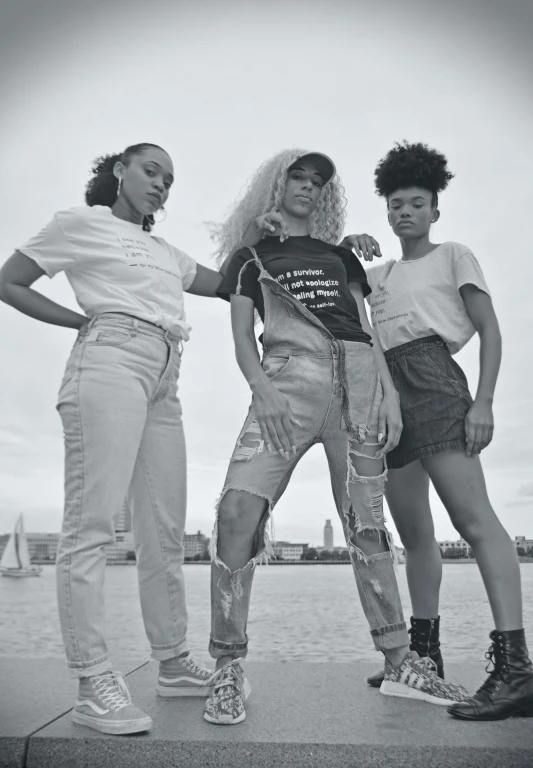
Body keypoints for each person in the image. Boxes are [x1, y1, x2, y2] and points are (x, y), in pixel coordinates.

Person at [202, 149, 469, 726]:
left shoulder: (342, 253)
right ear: (275, 184)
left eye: (318, 182)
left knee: (367, 523)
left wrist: (390, 394)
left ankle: (400, 661)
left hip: (360, 383)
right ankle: (227, 667)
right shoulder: (250, 255)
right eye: (297, 177)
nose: (308, 187)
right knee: (236, 512)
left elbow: (363, 323)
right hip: (286, 382)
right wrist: (260, 387)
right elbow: (241, 326)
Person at [0, 143, 225, 735]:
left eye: (169, 180)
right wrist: (80, 322)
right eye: (151, 171)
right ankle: (92, 679)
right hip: (109, 363)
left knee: (164, 529)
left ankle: (173, 661)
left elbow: (227, 282)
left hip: (166, 375)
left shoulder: (164, 250)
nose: (161, 185)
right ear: (120, 171)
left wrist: (270, 232)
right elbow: (10, 281)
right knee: (92, 525)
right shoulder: (81, 223)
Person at [346, 140, 533, 720]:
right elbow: (326, 278)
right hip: (387, 397)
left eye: (416, 203)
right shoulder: (377, 273)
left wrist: (484, 403)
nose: (405, 211)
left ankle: (516, 668)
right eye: (396, 204)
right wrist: (344, 248)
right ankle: (423, 657)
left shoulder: (454, 254)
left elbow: (491, 330)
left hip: (435, 380)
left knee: (475, 523)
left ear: (434, 210)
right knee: (416, 534)